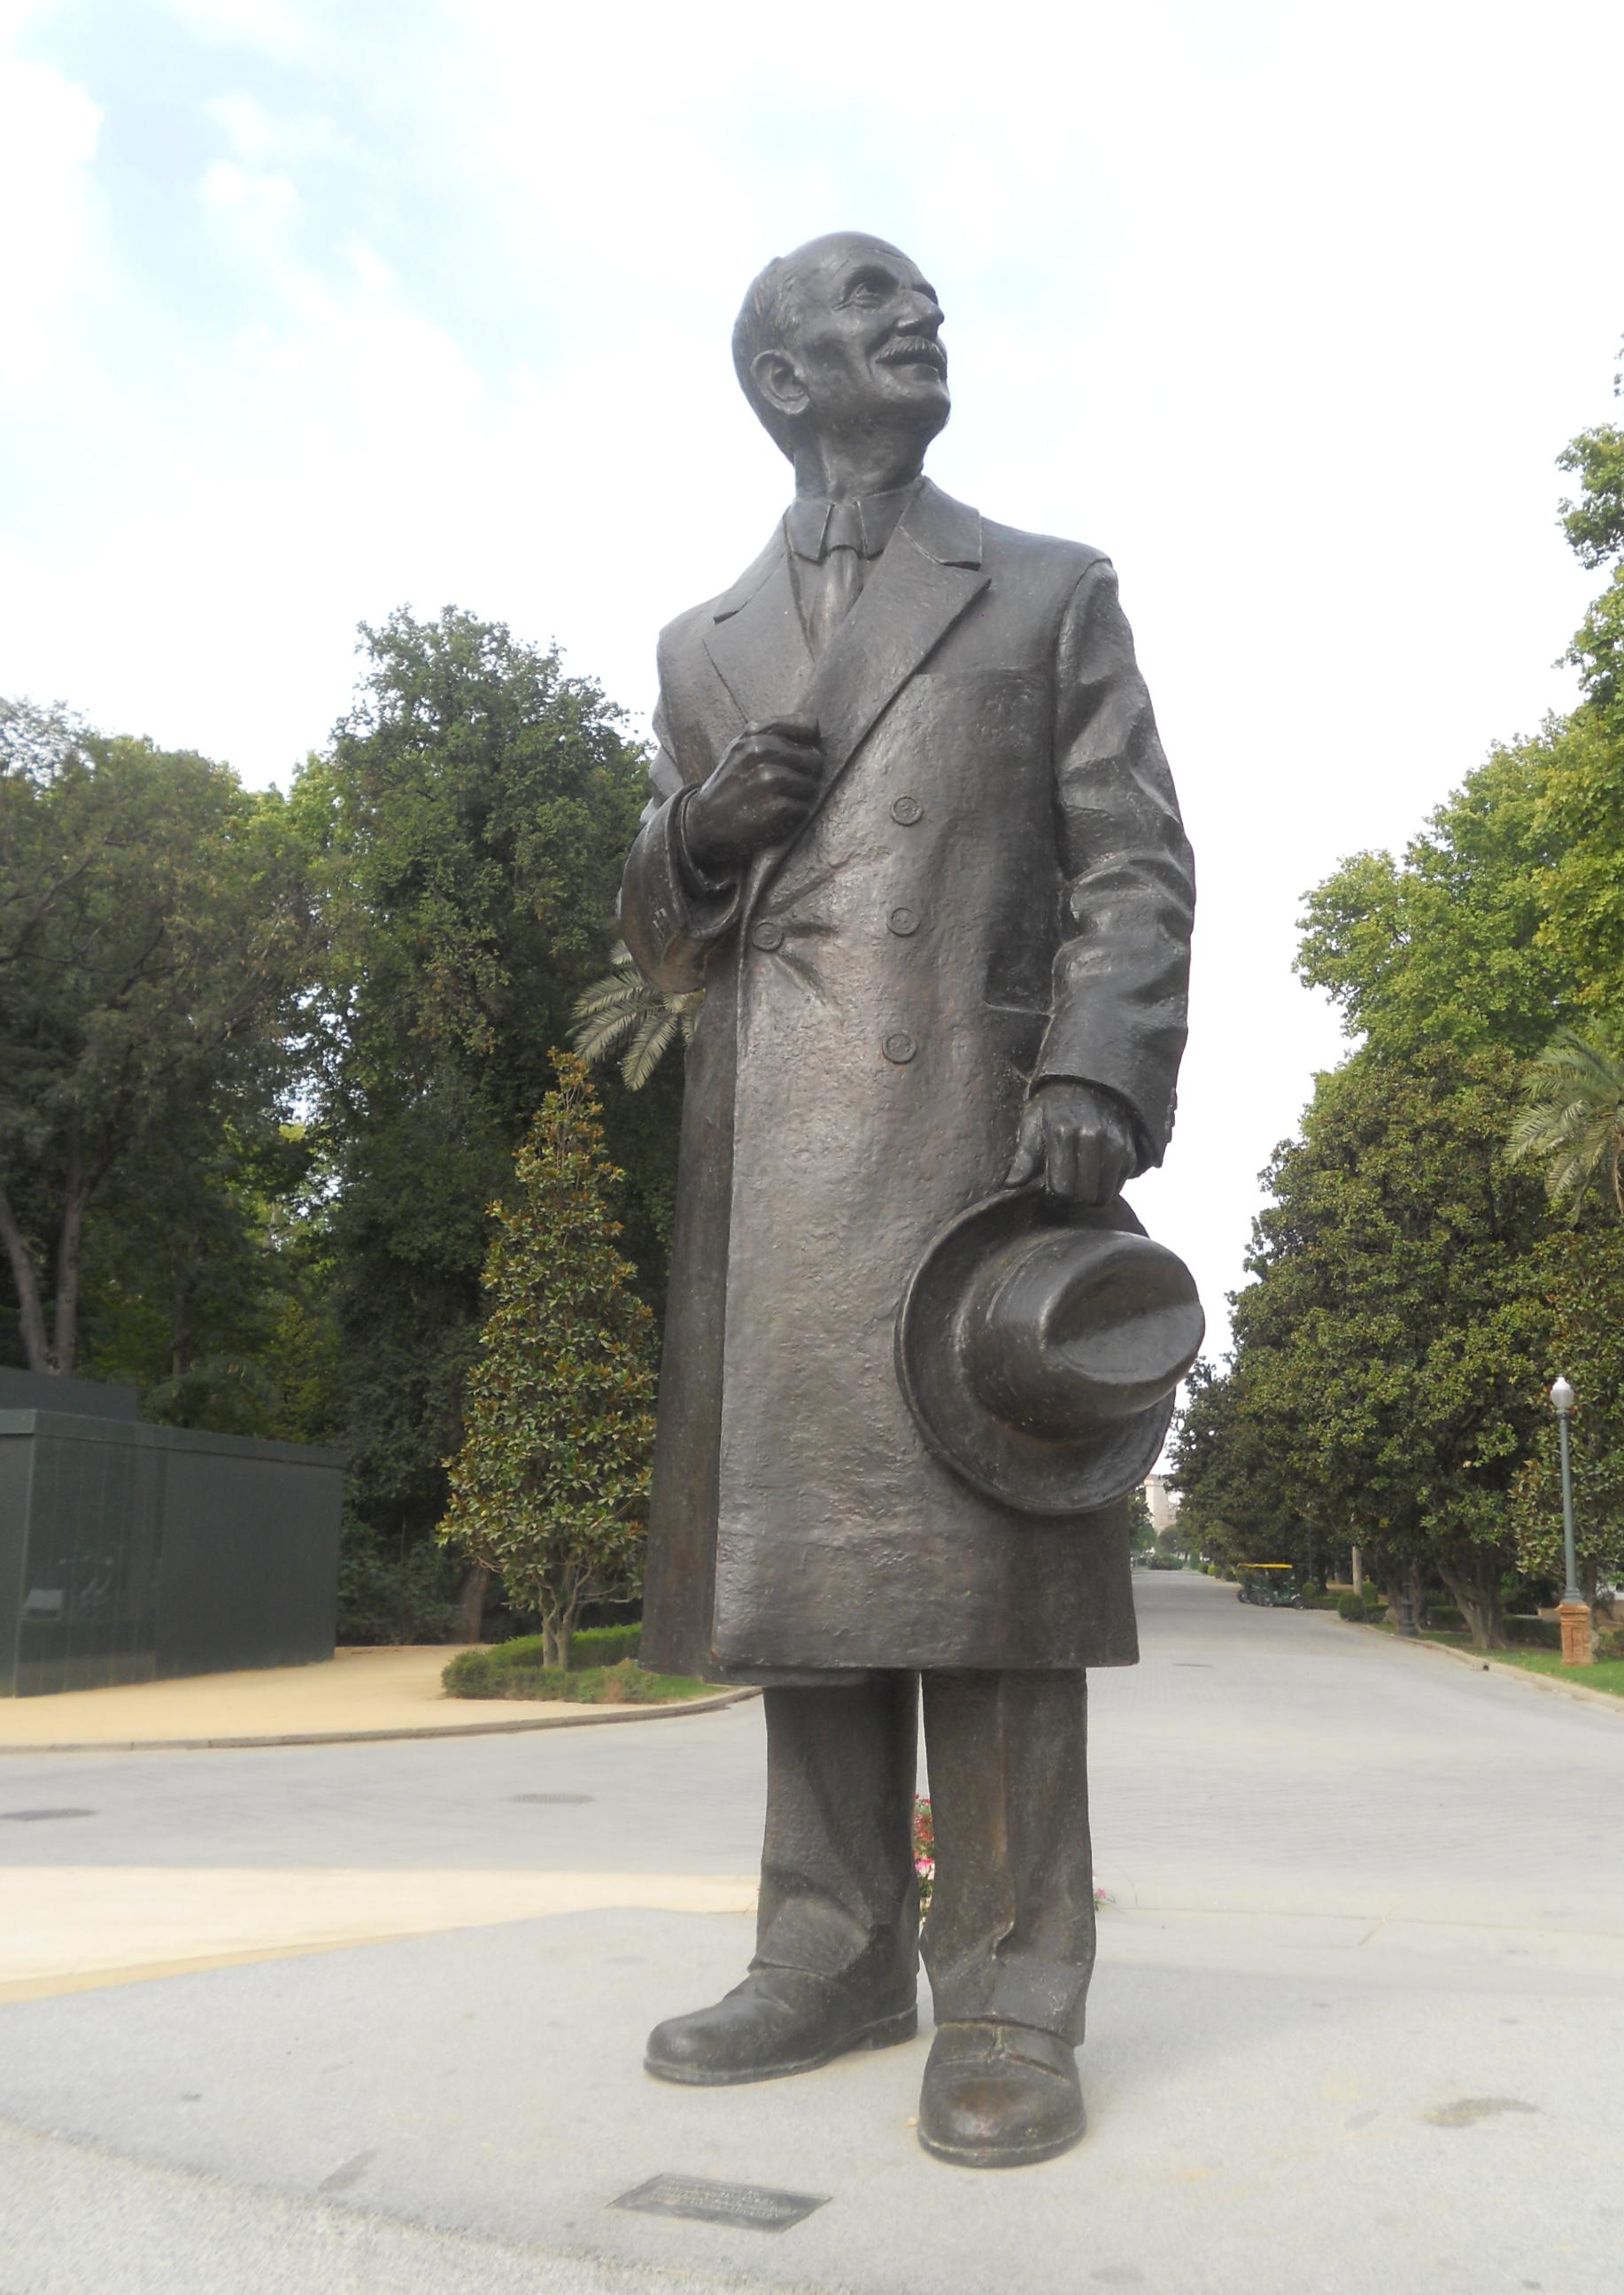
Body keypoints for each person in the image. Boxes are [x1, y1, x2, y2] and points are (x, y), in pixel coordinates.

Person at [619, 231, 1195, 2168]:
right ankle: (836, 1949)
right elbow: (668, 937)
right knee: (815, 1582)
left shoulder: (1044, 588)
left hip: (977, 1141)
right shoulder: (702, 646)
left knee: (994, 1582)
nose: (913, 314)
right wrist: (695, 835)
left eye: (921, 296)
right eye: (867, 302)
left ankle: (1017, 1992)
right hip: (781, 1171)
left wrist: (1099, 1071)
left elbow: (1135, 861)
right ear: (787, 379)